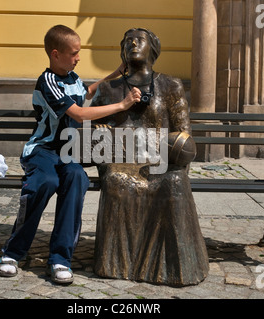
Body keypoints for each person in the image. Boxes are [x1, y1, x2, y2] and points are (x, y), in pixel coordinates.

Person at [0, 25, 141, 284]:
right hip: (42, 151)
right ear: (56, 54)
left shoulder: (71, 77)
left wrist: (118, 72)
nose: (78, 58)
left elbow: (87, 92)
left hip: (67, 151)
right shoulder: (48, 81)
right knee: (46, 182)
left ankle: (60, 259)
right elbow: (78, 113)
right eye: (74, 53)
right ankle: (12, 253)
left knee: (76, 177)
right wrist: (122, 104)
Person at [90, 28, 209, 286]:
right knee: (116, 181)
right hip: (119, 160)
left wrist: (169, 147)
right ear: (122, 51)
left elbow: (184, 135)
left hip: (161, 159)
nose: (133, 43)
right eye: (128, 40)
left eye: (140, 39)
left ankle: (179, 268)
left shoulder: (170, 85)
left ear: (153, 49)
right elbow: (88, 129)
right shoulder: (109, 89)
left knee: (174, 182)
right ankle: (116, 265)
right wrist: (100, 132)